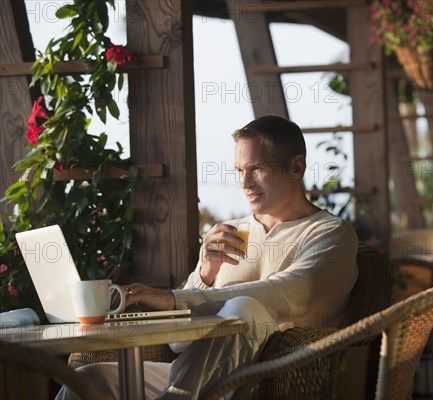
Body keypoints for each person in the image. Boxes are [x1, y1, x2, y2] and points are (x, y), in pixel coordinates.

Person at [57, 115, 358, 399]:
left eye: (257, 169)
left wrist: (174, 299)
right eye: (240, 171)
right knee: (87, 381)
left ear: (295, 168)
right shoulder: (230, 233)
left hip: (273, 381)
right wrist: (204, 274)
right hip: (195, 378)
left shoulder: (331, 234)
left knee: (244, 308)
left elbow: (290, 294)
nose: (245, 182)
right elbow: (179, 342)